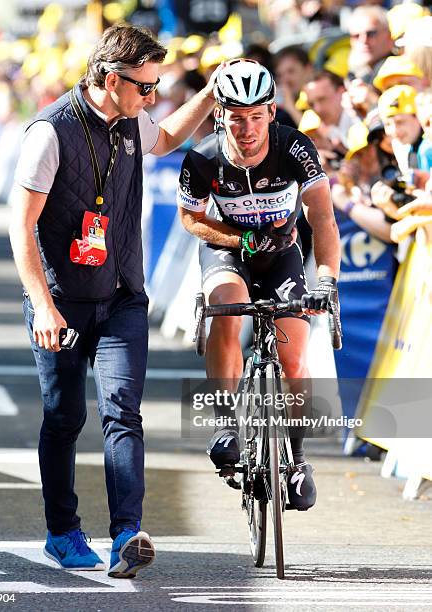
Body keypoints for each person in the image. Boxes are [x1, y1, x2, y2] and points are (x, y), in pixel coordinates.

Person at [9, 24, 217, 579]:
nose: (152, 98)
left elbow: (166, 137)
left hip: (122, 294)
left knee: (123, 410)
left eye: (155, 87)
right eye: (144, 88)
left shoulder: (130, 122)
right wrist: (43, 306)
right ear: (108, 78)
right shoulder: (50, 133)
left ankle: (127, 532)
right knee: (65, 416)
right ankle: (62, 532)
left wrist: (211, 93)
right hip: (61, 299)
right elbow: (20, 227)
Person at [177, 59, 340, 511]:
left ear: (270, 112)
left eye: (255, 116)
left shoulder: (295, 148)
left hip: (282, 254)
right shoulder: (203, 158)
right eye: (235, 117)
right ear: (219, 115)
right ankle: (227, 422)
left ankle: (299, 459)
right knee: (227, 306)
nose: (246, 128)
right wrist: (240, 236)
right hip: (228, 249)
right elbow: (190, 218)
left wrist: (326, 279)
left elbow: (322, 218)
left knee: (293, 352)